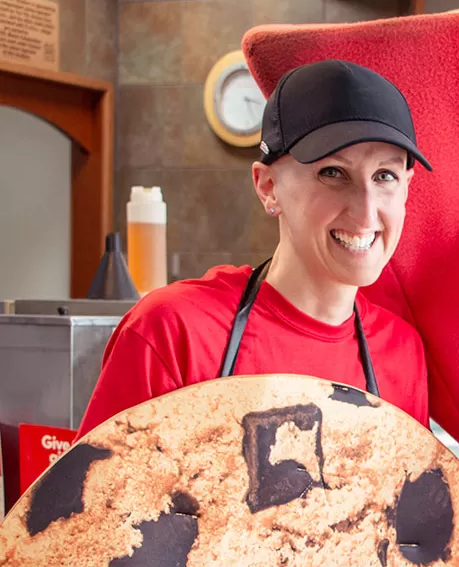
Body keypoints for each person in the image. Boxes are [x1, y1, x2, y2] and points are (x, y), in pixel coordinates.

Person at [77, 59, 433, 439]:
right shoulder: (174, 333)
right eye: (332, 173)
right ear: (268, 187)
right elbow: (93, 496)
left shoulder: (401, 352)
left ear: (407, 186)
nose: (365, 211)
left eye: (385, 176)